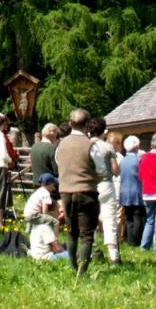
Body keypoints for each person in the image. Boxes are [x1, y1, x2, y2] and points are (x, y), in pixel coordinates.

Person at [56, 108, 101, 277]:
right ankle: (81, 273)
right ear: (88, 125)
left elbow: (58, 162)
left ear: (69, 123)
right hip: (87, 191)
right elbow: (101, 168)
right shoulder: (91, 145)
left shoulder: (61, 144)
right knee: (87, 234)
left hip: (66, 191)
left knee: (71, 230)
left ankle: (73, 266)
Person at [88, 117, 122, 264]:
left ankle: (93, 250)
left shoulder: (86, 146)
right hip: (106, 184)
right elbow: (115, 170)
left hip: (90, 184)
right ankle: (114, 255)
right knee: (109, 219)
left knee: (90, 219)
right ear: (104, 131)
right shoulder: (107, 147)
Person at [118, 135, 145, 246]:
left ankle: (130, 240)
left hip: (124, 192)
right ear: (137, 146)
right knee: (137, 216)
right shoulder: (139, 160)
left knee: (129, 217)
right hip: (137, 191)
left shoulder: (122, 161)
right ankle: (136, 241)